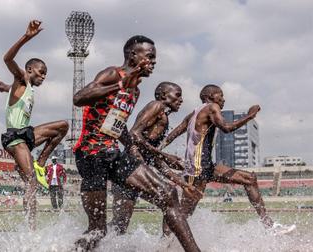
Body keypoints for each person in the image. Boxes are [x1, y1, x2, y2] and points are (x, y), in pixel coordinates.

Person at [73, 35, 200, 252]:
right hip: (91, 155)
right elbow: (79, 98)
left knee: (169, 194)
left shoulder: (136, 91)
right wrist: (120, 83)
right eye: (150, 57)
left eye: (154, 58)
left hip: (113, 154)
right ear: (133, 55)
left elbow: (117, 125)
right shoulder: (113, 74)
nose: (153, 62)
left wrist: (142, 150)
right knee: (98, 230)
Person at [161, 84, 296, 235]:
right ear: (210, 96)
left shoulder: (193, 113)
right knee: (183, 213)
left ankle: (269, 226)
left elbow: (174, 133)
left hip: (206, 166)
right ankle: (164, 242)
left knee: (249, 179)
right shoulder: (212, 107)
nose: (223, 99)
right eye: (221, 95)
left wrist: (158, 147)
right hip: (197, 169)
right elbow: (226, 128)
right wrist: (249, 116)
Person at [0, 20, 68, 229]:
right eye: (41, 72)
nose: (44, 77)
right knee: (31, 183)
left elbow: (4, 87)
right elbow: (7, 58)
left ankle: (40, 161)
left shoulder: (21, 87)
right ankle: (31, 230)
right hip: (15, 139)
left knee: (63, 126)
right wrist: (27, 37)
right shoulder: (22, 78)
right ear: (29, 69)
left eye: (46, 75)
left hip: (26, 134)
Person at [109, 82, 203, 234]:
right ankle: (165, 245)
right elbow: (133, 134)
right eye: (177, 95)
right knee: (170, 200)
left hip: (130, 170)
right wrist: (165, 155)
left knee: (119, 225)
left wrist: (184, 184)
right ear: (164, 95)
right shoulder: (156, 106)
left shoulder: (163, 116)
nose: (181, 100)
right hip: (129, 167)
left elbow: (154, 160)